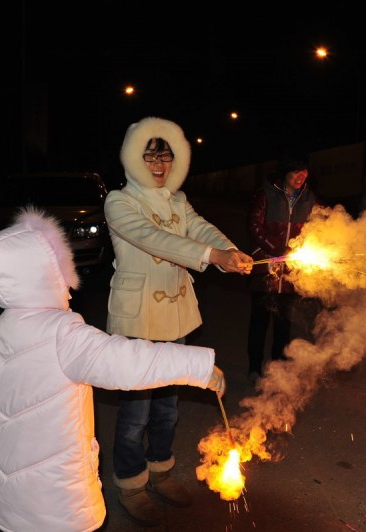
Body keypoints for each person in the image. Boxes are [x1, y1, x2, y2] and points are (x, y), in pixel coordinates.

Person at [0, 206, 227, 532]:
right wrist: (200, 368)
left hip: (13, 500)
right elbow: (128, 362)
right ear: (45, 274)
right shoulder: (61, 332)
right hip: (60, 503)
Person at [103, 116, 252, 526]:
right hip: (138, 320)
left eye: (165, 157)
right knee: (136, 414)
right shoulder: (119, 202)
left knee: (168, 407)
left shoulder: (177, 199)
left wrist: (230, 251)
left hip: (177, 317)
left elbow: (200, 229)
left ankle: (161, 473)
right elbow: (154, 239)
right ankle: (131, 484)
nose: (158, 165)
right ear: (134, 159)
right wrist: (211, 258)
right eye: (150, 156)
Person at [246, 152, 320, 383]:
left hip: (292, 273)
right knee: (259, 321)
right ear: (285, 172)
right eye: (296, 171)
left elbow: (317, 228)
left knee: (284, 324)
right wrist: (279, 250)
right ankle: (255, 369)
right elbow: (254, 227)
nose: (301, 176)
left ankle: (277, 370)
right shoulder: (266, 194)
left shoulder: (309, 198)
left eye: (304, 171)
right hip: (265, 270)